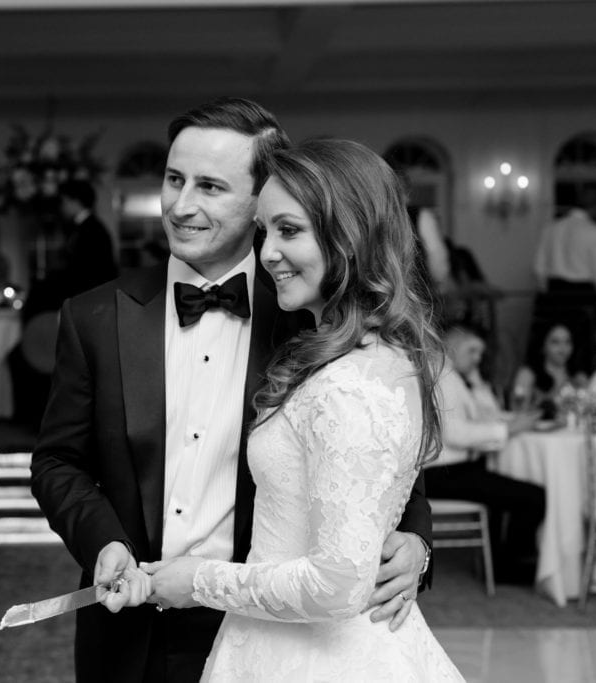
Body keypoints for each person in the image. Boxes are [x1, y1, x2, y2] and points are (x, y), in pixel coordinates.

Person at [30, 99, 433, 683]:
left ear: (260, 198)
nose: (181, 205)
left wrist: (416, 540)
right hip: (129, 628)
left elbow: (381, 448)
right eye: (174, 179)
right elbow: (57, 460)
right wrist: (103, 545)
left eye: (211, 186)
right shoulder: (95, 315)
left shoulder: (310, 309)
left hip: (275, 628)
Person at [138, 139, 461, 681]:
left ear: (349, 237)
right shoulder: (362, 354)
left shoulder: (349, 384)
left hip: (318, 657)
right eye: (266, 232)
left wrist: (199, 581)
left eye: (289, 231)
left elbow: (338, 584)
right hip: (274, 640)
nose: (266, 253)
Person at [425, 325, 546, 584]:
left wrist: (477, 379)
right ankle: (514, 568)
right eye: (473, 351)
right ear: (453, 346)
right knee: (533, 496)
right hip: (441, 473)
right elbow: (455, 434)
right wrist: (508, 429)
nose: (478, 357)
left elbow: (486, 412)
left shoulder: (456, 375)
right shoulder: (441, 376)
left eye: (481, 353)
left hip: (460, 469)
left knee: (510, 491)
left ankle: (501, 564)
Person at [532, 188, 596, 373]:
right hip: (583, 296)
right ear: (595, 207)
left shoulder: (552, 227)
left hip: (554, 294)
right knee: (583, 347)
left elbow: (538, 268)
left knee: (552, 341)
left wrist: (545, 296)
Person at [511, 323, 588, 419]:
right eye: (555, 342)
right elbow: (518, 411)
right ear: (543, 345)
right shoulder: (527, 374)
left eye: (567, 342)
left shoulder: (578, 377)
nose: (562, 348)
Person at [58, 179, 119, 298]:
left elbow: (91, 270)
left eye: (64, 202)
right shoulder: (84, 227)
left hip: (91, 295)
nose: (62, 207)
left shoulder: (92, 229)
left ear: (75, 201)